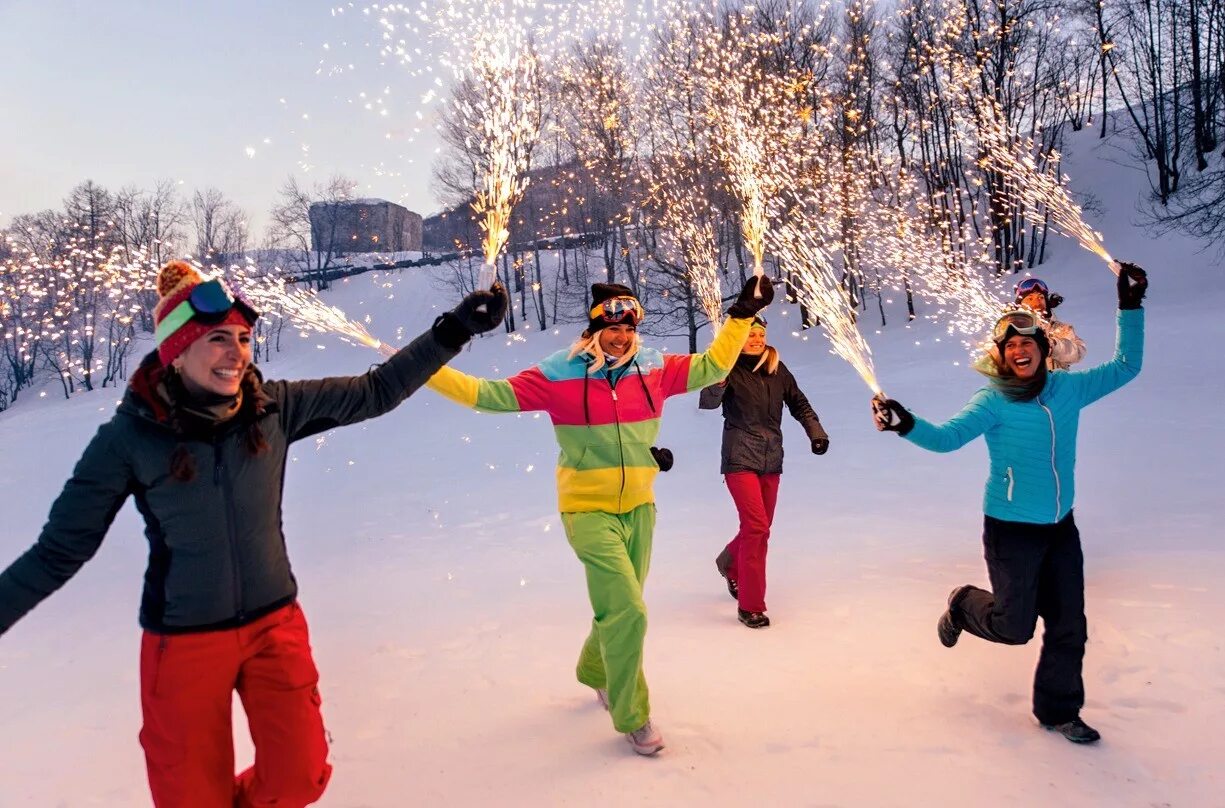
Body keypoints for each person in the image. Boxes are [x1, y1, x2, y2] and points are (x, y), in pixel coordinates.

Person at [0, 260, 507, 806]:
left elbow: (375, 391)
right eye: (218, 339)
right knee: (192, 796)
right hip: (184, 643)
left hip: (274, 626)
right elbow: (57, 552)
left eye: (243, 339)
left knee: (300, 776)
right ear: (176, 351)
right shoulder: (128, 439)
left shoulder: (274, 408)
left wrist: (454, 330)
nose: (237, 353)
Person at [424, 277, 773, 755]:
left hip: (640, 508)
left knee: (619, 608)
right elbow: (488, 394)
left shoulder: (655, 369)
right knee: (629, 611)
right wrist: (422, 365)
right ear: (594, 327)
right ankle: (633, 715)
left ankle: (594, 669)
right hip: (586, 510)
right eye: (611, 325)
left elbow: (714, 366)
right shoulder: (560, 372)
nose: (621, 335)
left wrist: (738, 317)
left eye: (629, 326)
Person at [871, 262, 1147, 745]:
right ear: (1001, 355)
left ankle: (1059, 711)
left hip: (1061, 527)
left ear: (1043, 350)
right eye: (1011, 346)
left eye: (1028, 344)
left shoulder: (1069, 389)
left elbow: (1128, 365)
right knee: (1014, 627)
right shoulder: (993, 400)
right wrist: (905, 423)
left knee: (1070, 627)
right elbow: (947, 438)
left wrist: (1129, 305)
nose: (1020, 351)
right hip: (1011, 529)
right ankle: (962, 605)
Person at [699, 316, 829, 629]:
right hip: (739, 457)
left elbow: (800, 404)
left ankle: (730, 563)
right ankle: (751, 605)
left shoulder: (776, 368)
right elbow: (707, 402)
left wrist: (816, 432)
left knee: (760, 527)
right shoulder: (726, 366)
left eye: (760, 334)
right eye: (749, 335)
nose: (756, 339)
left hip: (771, 459)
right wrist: (716, 382)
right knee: (757, 527)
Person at [1014, 277, 1086, 369]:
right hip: (1024, 383)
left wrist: (1052, 346)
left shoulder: (1061, 328)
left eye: (1041, 297)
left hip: (1059, 382)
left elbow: (1079, 352)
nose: (1037, 302)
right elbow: (992, 361)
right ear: (1020, 304)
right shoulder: (1009, 327)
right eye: (1030, 299)